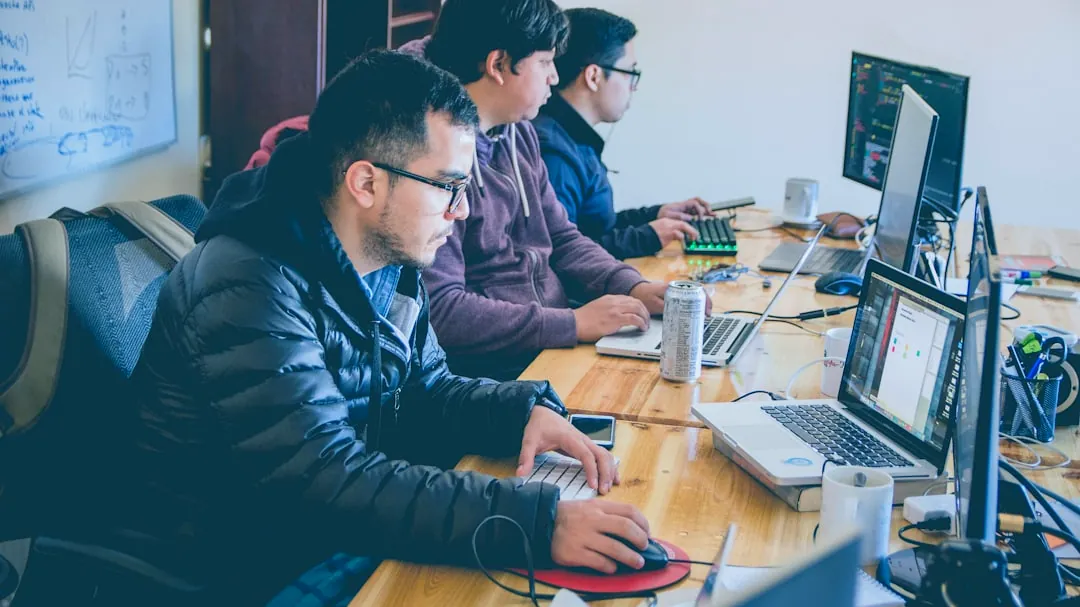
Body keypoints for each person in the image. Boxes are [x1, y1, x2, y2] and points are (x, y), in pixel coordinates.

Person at [113, 50, 651, 606]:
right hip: (239, 570)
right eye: (447, 187)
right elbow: (325, 480)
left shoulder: (388, 255)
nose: (462, 211)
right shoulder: (247, 282)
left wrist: (519, 413)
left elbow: (427, 389)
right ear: (366, 182)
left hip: (329, 537)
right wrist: (533, 522)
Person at [401, 0, 680, 382]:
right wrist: (572, 323)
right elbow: (443, 310)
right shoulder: (430, 156)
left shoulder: (520, 131)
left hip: (547, 345)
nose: (554, 77)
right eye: (546, 62)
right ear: (499, 64)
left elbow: (561, 237)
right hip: (493, 372)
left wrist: (632, 285)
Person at [532, 8, 713, 261]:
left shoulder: (573, 138)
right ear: (594, 76)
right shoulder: (554, 154)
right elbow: (562, 255)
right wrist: (646, 237)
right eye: (631, 73)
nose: (633, 87)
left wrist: (655, 215)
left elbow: (593, 227)